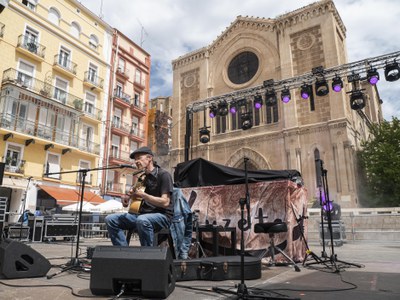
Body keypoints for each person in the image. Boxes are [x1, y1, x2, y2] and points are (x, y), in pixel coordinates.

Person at [105, 146, 174, 246]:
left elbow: (165, 202)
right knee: (110, 219)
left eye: (139, 158)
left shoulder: (163, 175)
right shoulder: (142, 178)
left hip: (162, 216)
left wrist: (144, 195)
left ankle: (146, 255)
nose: (136, 161)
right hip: (139, 215)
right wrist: (126, 198)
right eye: (135, 159)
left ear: (149, 158)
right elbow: (133, 195)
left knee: (142, 220)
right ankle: (123, 253)